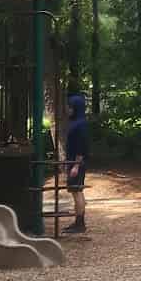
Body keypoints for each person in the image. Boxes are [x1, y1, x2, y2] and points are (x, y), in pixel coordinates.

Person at [62, 92, 89, 233]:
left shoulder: (80, 124)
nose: (67, 109)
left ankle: (80, 223)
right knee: (77, 191)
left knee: (77, 191)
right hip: (73, 161)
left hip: (76, 163)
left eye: (69, 106)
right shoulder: (77, 122)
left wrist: (76, 165)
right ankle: (79, 221)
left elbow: (81, 145)